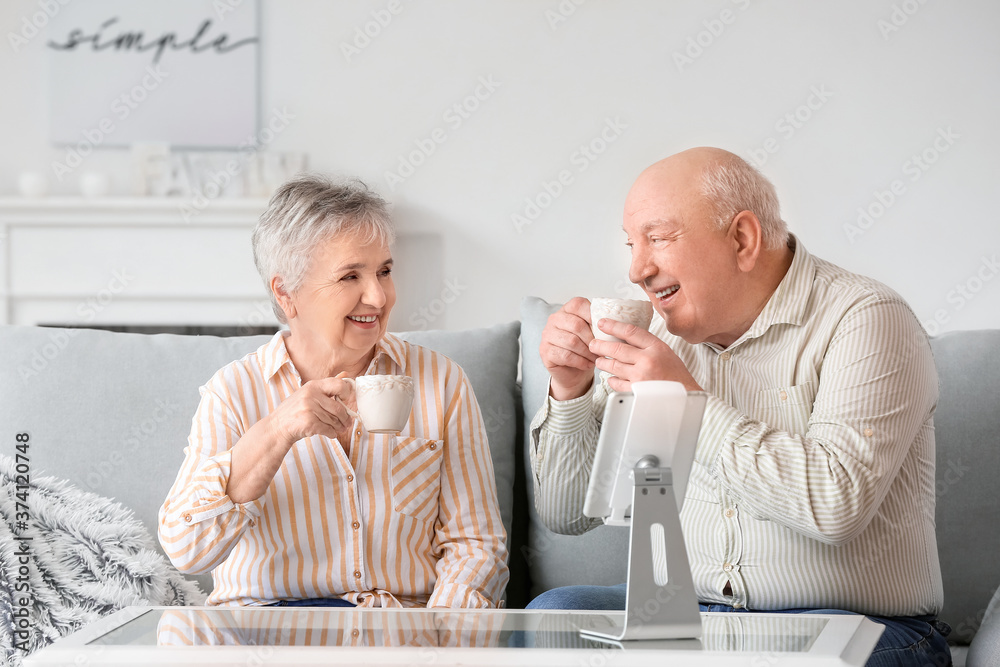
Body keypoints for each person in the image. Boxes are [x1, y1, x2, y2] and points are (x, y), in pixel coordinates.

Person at [527, 147, 950, 666]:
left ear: (742, 239)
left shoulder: (866, 318)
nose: (637, 268)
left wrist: (687, 403)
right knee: (555, 616)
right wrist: (569, 391)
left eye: (658, 238)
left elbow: (836, 505)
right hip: (693, 613)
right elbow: (566, 517)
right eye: (632, 244)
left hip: (857, 624)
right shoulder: (661, 339)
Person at [158, 175, 508, 609]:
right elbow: (187, 551)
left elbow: (476, 546)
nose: (378, 297)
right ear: (287, 293)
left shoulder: (441, 381)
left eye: (384, 271)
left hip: (399, 636)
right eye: (350, 277)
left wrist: (436, 640)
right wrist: (279, 429)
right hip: (270, 636)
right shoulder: (232, 392)